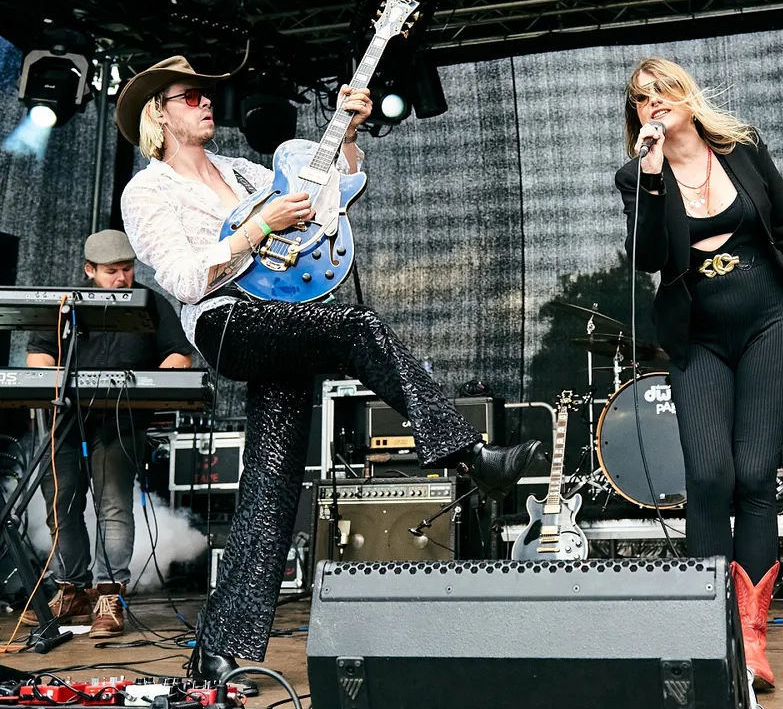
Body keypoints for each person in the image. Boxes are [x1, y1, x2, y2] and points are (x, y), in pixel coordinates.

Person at [115, 56, 539, 691]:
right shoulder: (148, 190)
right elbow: (180, 278)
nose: (206, 103)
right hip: (228, 322)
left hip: (283, 314)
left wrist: (349, 133)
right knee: (356, 325)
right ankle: (470, 455)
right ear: (159, 113)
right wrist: (258, 227)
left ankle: (219, 652)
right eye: (191, 96)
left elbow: (322, 202)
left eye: (206, 95)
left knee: (271, 486)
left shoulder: (242, 171)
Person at [614, 57, 783, 691]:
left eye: (664, 90)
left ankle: (753, 639)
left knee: (756, 473)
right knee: (709, 475)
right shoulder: (635, 176)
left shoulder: (741, 148)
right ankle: (710, 634)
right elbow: (648, 257)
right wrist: (650, 176)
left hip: (769, 324)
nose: (654, 101)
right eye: (642, 97)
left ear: (687, 96)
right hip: (697, 339)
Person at [22, 229, 194, 639]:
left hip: (122, 419)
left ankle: (109, 595)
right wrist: (58, 382)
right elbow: (38, 354)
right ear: (90, 270)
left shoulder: (151, 303)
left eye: (127, 269)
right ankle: (72, 591)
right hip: (67, 418)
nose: (122, 277)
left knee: (114, 505)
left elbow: (179, 353)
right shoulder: (65, 304)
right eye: (112, 271)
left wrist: (156, 382)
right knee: (61, 504)